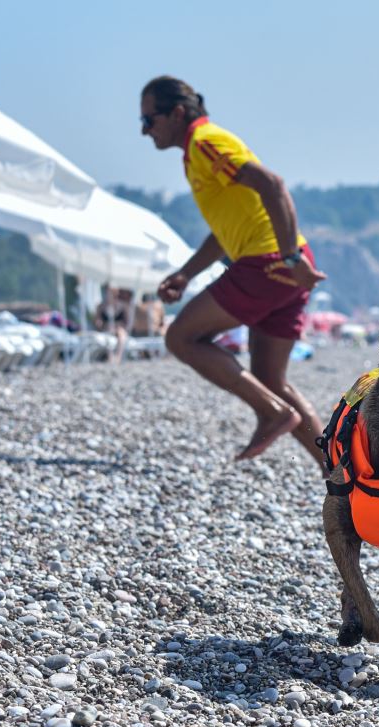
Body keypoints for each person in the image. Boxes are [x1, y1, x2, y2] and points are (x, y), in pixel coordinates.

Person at [141, 76, 327, 466]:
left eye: (149, 120)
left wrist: (291, 259)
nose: (145, 131)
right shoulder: (198, 151)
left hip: (270, 264)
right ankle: (343, 475)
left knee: (180, 337)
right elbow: (227, 231)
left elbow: (273, 185)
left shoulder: (205, 142)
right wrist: (186, 274)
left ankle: (272, 413)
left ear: (177, 113)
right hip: (280, 264)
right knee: (270, 379)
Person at [94, 284, 131, 363]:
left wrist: (117, 325)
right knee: (107, 336)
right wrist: (101, 324)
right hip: (106, 329)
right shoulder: (100, 307)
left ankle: (118, 356)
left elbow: (127, 322)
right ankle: (110, 356)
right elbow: (97, 321)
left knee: (121, 334)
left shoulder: (122, 306)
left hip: (119, 329)